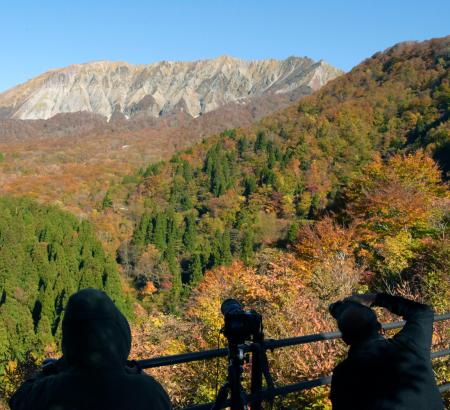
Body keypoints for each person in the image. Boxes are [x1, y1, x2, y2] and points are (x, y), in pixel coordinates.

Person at [9, 288, 172, 410]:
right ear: (122, 334)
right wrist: (132, 371)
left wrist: (57, 366)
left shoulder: (48, 391)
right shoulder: (148, 391)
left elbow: (18, 399)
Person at [328, 292, 443, 410]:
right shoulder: (409, 346)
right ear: (381, 328)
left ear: (345, 339)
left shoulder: (343, 374)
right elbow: (423, 312)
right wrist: (374, 298)